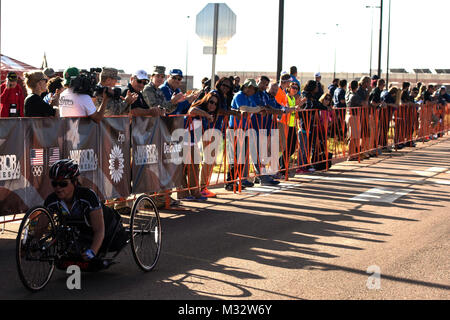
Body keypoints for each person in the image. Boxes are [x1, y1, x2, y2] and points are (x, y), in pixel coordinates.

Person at [44, 159, 127, 261]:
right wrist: (31, 245)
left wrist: (92, 252)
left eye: (63, 184)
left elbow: (99, 230)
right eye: (54, 184)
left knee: (113, 243)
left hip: (109, 228)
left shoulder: (88, 196)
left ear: (74, 182)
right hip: (84, 233)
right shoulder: (51, 200)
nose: (58, 188)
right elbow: (41, 227)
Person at [180, 92, 220, 201]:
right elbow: (192, 111)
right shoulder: (199, 108)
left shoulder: (207, 114)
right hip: (182, 140)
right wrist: (206, 115)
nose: (213, 105)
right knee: (184, 169)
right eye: (211, 102)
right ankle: (184, 194)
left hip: (192, 142)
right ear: (206, 100)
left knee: (194, 168)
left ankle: (194, 192)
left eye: (215, 104)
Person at [226, 79, 259, 190]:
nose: (251, 90)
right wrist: (255, 109)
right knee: (234, 157)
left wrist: (255, 109)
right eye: (249, 87)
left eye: (253, 88)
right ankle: (230, 182)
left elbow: (256, 109)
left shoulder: (249, 97)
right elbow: (244, 109)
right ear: (244, 86)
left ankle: (239, 180)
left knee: (241, 156)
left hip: (244, 129)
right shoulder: (239, 95)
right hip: (235, 129)